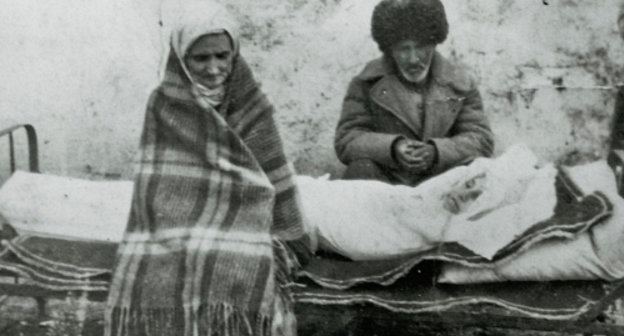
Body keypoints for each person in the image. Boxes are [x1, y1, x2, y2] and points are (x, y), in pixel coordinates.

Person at [105, 3, 309, 335]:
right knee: (172, 258)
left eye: (222, 56)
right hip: (181, 220)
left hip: (246, 209)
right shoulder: (162, 104)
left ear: (234, 55)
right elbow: (159, 184)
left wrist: (280, 225)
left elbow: (271, 173)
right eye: (200, 59)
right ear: (181, 60)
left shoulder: (252, 103)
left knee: (234, 256)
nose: (214, 68)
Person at [334, 0, 495, 186]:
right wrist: (392, 148)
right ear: (390, 49)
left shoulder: (460, 82)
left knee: (479, 171)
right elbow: (347, 139)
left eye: (421, 47)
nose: (413, 59)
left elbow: (480, 139)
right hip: (388, 182)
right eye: (403, 49)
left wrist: (437, 152)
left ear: (434, 43)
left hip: (442, 180)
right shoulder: (366, 83)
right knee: (360, 170)